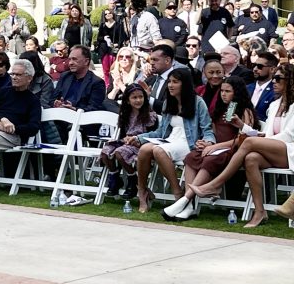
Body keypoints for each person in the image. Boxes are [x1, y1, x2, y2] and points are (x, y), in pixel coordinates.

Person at [192, 64, 294, 228]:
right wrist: (241, 125)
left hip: (290, 150)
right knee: (251, 158)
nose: (273, 82)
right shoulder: (275, 105)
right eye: (273, 78)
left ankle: (216, 184)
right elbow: (263, 134)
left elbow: (288, 136)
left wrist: (261, 140)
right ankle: (260, 212)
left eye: (278, 79)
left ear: (290, 81)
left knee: (248, 142)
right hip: (275, 149)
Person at [164, 76, 259, 221]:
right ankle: (190, 207)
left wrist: (216, 146)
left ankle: (185, 200)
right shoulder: (220, 109)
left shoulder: (244, 111)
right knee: (191, 157)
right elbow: (212, 132)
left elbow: (244, 139)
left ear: (237, 92)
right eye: (222, 91)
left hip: (232, 149)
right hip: (215, 146)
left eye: (228, 91)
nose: (223, 94)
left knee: (210, 160)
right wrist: (206, 142)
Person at [0, 59, 57, 200]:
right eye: (12, 74)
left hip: (13, 137)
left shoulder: (32, 101)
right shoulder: (3, 93)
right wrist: (2, 120)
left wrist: (13, 128)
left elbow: (33, 127)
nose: (14, 77)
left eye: (18, 75)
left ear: (29, 78)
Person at [126, 68, 213, 213]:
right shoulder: (169, 103)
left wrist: (208, 142)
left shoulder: (198, 103)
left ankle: (177, 194)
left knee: (158, 150)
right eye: (169, 82)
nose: (170, 85)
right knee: (144, 149)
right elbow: (161, 132)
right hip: (170, 141)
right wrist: (139, 138)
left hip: (188, 143)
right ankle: (142, 190)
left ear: (184, 84)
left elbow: (207, 129)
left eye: (175, 82)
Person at [100, 84, 157, 199]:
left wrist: (137, 139)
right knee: (105, 151)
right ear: (127, 100)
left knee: (120, 153)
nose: (138, 100)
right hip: (126, 142)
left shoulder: (150, 116)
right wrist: (121, 139)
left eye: (141, 97)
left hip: (140, 143)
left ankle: (133, 179)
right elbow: (123, 133)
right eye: (134, 98)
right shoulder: (125, 114)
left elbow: (153, 135)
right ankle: (114, 177)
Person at [97, 8, 128, 88]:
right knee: (105, 69)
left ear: (113, 14)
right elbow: (98, 38)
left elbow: (122, 37)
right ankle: (107, 85)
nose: (108, 15)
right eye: (106, 14)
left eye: (109, 13)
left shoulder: (118, 25)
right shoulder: (102, 25)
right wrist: (104, 38)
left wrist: (117, 44)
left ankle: (116, 84)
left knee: (114, 68)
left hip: (114, 50)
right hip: (104, 49)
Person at [248, 51, 278, 120]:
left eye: (259, 66)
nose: (255, 69)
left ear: (272, 69)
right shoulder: (246, 88)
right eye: (254, 65)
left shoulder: (276, 91)